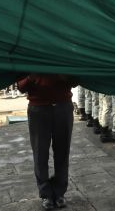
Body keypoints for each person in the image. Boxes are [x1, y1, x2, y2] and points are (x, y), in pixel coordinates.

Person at [16, 74, 77, 210]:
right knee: (40, 153)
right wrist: (32, 76)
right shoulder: (27, 57)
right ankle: (46, 194)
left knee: (62, 152)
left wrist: (63, 75)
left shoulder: (63, 55)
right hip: (38, 109)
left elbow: (76, 80)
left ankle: (59, 192)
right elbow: (20, 87)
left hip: (63, 107)